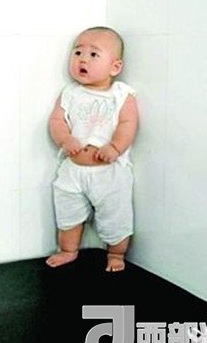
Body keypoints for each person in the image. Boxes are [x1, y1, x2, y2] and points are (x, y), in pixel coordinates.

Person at [46, 26, 139, 272]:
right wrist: (65, 139)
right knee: (67, 213)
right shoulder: (70, 93)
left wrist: (115, 147)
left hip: (108, 172)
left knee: (115, 215)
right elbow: (57, 120)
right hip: (73, 170)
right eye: (78, 52)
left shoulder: (122, 95)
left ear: (115, 67)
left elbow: (128, 123)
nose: (83, 59)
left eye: (93, 54)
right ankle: (68, 250)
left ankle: (116, 254)